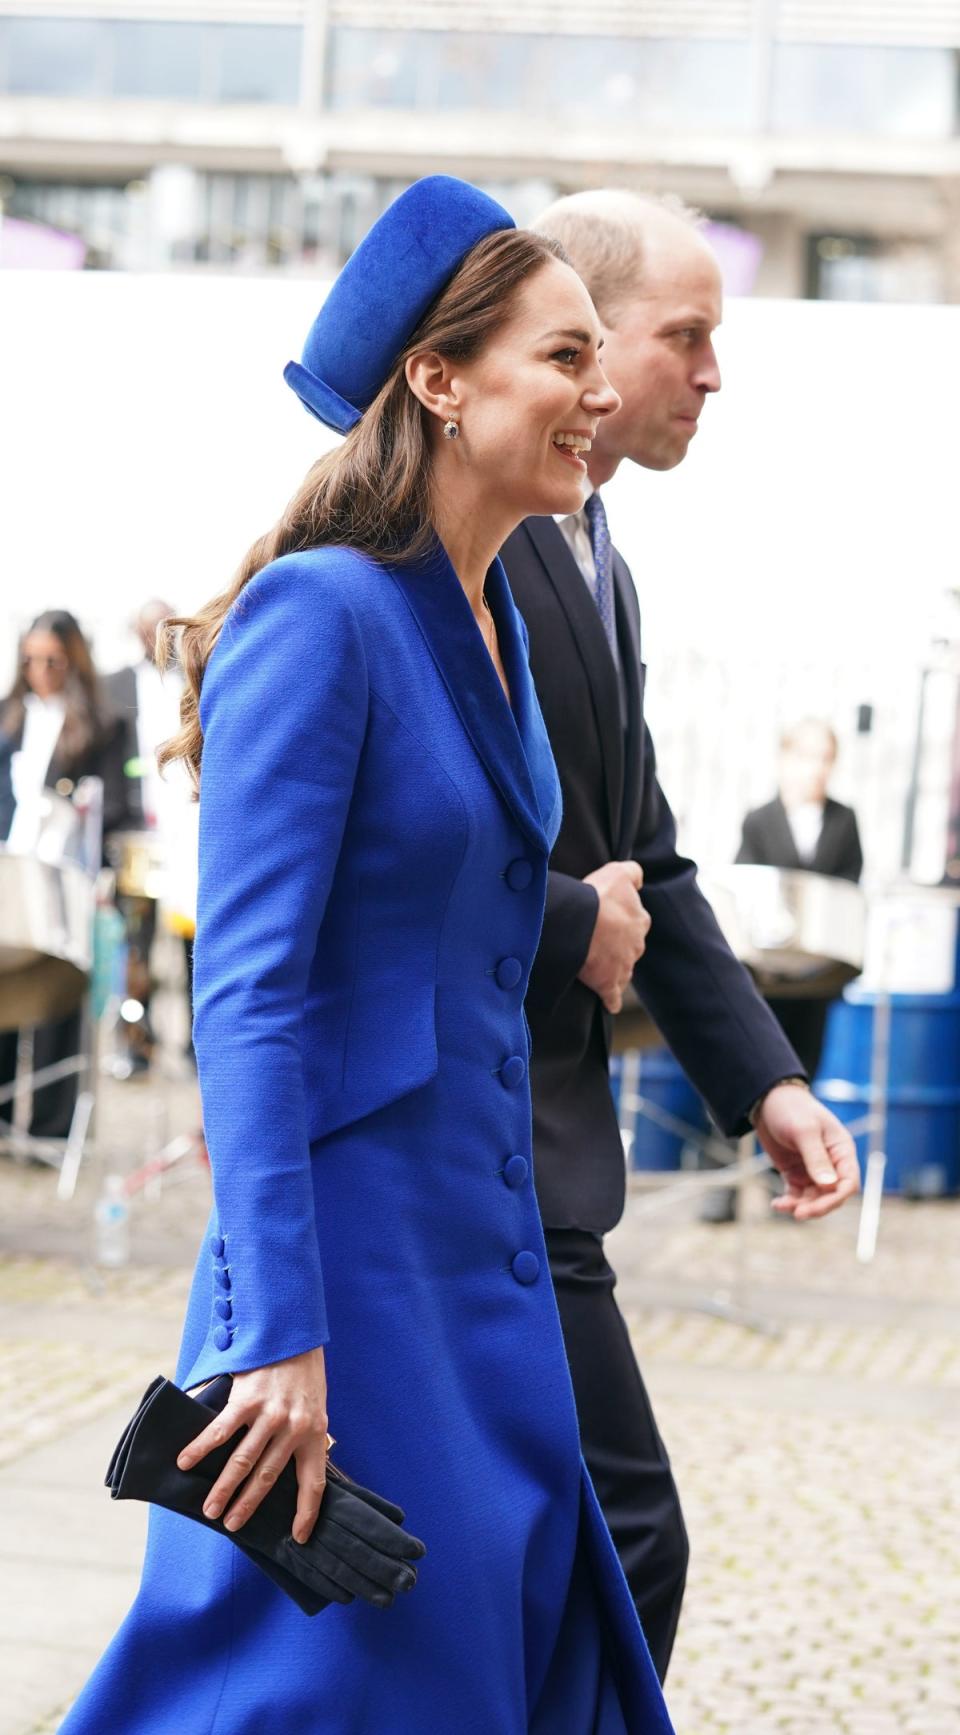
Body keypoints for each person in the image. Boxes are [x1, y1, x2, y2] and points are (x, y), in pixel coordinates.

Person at [60, 177, 675, 1734]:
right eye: (562, 355)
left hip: (484, 1262)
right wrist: (278, 1324)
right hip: (344, 1275)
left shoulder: (493, 622)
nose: (599, 391)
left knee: (511, 1658)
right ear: (439, 377)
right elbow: (247, 993)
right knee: (316, 1690)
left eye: (603, 354)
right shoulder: (320, 617)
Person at [499, 191, 860, 1682]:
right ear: (575, 339)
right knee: (622, 1534)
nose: (712, 373)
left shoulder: (599, 557)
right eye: (688, 336)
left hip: (544, 1152)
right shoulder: (471, 544)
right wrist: (576, 915)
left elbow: (651, 852)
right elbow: (409, 853)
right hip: (478, 1142)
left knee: (530, 1547)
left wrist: (764, 1079)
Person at [0, 609, 131, 1141]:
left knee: (56, 1001)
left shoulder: (102, 725)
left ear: (73, 661)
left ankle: (52, 1132)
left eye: (53, 660)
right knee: (5, 999)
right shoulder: (7, 719)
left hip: (64, 880)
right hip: (10, 875)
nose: (41, 671)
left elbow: (118, 807)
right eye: (31, 661)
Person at [737, 717, 864, 1077]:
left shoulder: (844, 819)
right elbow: (748, 883)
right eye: (808, 757)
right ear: (785, 759)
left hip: (817, 972)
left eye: (825, 759)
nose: (816, 769)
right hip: (768, 971)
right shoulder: (759, 820)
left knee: (806, 1063)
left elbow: (850, 882)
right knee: (761, 1062)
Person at [103, 599, 184, 1073]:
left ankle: (195, 1048)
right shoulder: (114, 687)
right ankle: (135, 1041)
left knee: (194, 943)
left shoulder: (195, 677)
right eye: (147, 628)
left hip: (187, 833)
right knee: (134, 946)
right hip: (137, 838)